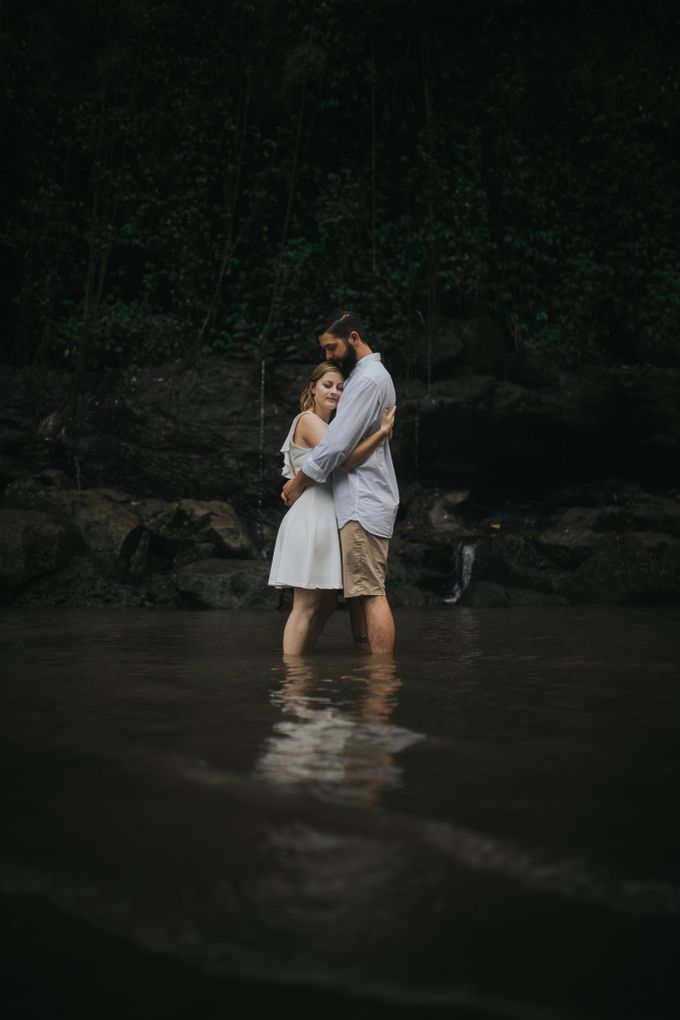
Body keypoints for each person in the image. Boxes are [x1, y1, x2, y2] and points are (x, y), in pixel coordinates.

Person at [281, 310, 399, 655]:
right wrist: (380, 433)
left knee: (370, 592)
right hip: (348, 505)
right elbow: (339, 450)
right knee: (357, 595)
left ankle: (379, 679)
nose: (328, 357)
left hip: (362, 501)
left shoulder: (365, 380)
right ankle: (367, 672)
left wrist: (298, 482)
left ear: (354, 338)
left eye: (332, 348)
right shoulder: (367, 378)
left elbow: (337, 447)